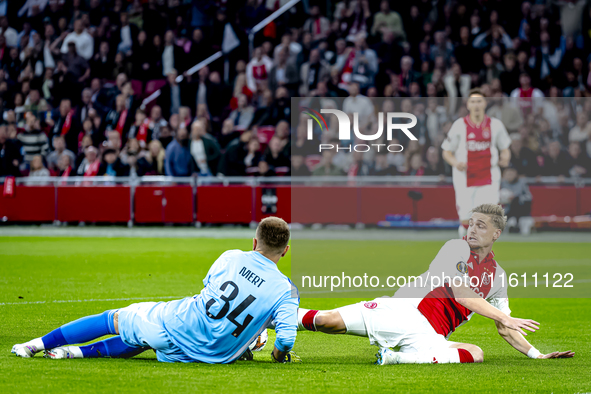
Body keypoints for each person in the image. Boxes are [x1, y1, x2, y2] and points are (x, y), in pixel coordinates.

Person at [296, 204, 574, 364]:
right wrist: (504, 316)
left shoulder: (498, 277)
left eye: (481, 226)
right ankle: (273, 313)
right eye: (471, 223)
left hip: (430, 336)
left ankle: (396, 359)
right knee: (327, 321)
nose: (472, 230)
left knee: (475, 354)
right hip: (404, 312)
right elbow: (463, 295)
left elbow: (506, 327)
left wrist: (537, 355)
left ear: (496, 234)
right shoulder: (455, 248)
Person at [12, 217, 301, 364]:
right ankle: (72, 353)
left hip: (178, 326)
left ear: (254, 242)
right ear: (285, 251)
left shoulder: (231, 256)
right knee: (147, 338)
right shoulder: (286, 291)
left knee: (115, 317)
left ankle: (35, 345)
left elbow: (209, 290)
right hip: (209, 356)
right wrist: (277, 355)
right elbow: (286, 340)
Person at [442, 88, 511, 238]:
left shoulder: (496, 125)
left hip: (489, 176)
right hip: (464, 176)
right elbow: (446, 151)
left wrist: (505, 156)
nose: (476, 104)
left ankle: (481, 254)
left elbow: (505, 147)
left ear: (485, 103)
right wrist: (455, 162)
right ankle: (464, 247)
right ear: (468, 104)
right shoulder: (459, 125)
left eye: (479, 101)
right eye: (473, 101)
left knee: (486, 218)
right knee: (466, 220)